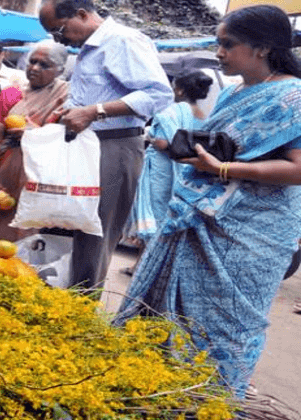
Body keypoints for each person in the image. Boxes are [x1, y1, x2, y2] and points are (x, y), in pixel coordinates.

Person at [114, 4, 301, 398]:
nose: (219, 53)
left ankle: (209, 398)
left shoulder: (294, 97)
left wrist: (224, 170)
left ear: (263, 48)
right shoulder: (234, 92)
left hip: (251, 233)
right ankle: (155, 393)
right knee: (170, 316)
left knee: (227, 324)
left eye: (227, 44)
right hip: (200, 216)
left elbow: (298, 168)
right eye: (218, 44)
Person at [39, 0, 173, 291]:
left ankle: (80, 313)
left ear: (82, 15)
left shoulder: (124, 40)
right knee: (60, 226)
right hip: (82, 146)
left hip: (114, 147)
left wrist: (94, 111)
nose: (58, 40)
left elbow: (159, 94)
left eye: (59, 30)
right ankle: (51, 304)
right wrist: (71, 109)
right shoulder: (88, 49)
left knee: (94, 237)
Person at [0, 40, 69, 241]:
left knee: (24, 236)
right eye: (32, 61)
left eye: (44, 65)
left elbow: (69, 140)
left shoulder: (66, 97)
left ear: (60, 70)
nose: (34, 68)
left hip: (39, 177)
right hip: (4, 171)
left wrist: (35, 133)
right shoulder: (12, 93)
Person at [126, 70, 213, 249]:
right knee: (170, 213)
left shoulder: (170, 112)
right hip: (186, 171)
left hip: (161, 170)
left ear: (179, 91)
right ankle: (142, 263)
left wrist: (149, 136)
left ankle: (143, 264)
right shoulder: (204, 115)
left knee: (155, 212)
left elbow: (163, 143)